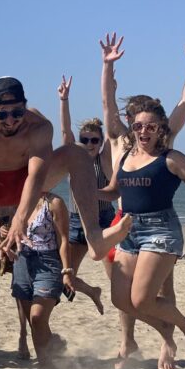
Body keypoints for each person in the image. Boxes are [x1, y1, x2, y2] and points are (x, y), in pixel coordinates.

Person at [0, 76, 131, 273]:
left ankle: (94, 237)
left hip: (27, 185)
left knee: (77, 152)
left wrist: (20, 220)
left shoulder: (39, 126)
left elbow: (36, 176)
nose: (10, 121)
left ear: (25, 107)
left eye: (17, 113)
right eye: (1, 115)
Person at [101, 32, 185, 366]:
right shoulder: (121, 142)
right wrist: (106, 66)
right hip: (125, 223)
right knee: (124, 298)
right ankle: (146, 336)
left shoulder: (164, 142)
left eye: (149, 123)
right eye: (136, 122)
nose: (142, 129)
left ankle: (171, 337)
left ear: (158, 125)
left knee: (155, 292)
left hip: (159, 225)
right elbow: (107, 104)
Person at [57, 75, 110, 314]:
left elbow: (113, 131)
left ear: (101, 142)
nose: (89, 144)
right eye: (85, 139)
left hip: (104, 220)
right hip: (77, 220)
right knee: (65, 276)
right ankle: (92, 291)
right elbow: (65, 131)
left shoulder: (105, 159)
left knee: (116, 275)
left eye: (94, 140)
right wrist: (64, 100)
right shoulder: (75, 160)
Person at [11, 192, 73, 367]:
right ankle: (46, 365)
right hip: (21, 261)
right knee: (34, 324)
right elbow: (12, 229)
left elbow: (63, 240)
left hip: (47, 262)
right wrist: (3, 231)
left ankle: (48, 362)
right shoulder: (20, 200)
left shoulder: (54, 202)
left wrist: (67, 271)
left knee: (37, 317)